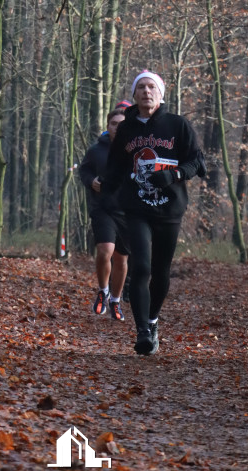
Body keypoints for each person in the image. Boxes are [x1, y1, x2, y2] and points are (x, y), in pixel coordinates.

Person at [103, 71, 205, 355]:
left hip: (169, 208)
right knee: (141, 268)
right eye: (141, 87)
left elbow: (196, 162)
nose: (146, 92)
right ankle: (143, 333)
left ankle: (152, 320)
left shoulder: (177, 124)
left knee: (160, 272)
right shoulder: (126, 129)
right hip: (136, 208)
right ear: (134, 95)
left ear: (160, 94)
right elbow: (115, 168)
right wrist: (106, 196)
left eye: (151, 87)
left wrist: (173, 175)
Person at [79, 108, 130, 321]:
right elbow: (84, 170)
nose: (117, 128)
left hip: (127, 211)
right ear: (107, 126)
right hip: (102, 208)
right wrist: (91, 181)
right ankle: (103, 291)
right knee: (105, 251)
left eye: (122, 124)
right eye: (114, 124)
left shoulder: (134, 149)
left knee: (121, 259)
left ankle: (115, 302)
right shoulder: (96, 150)